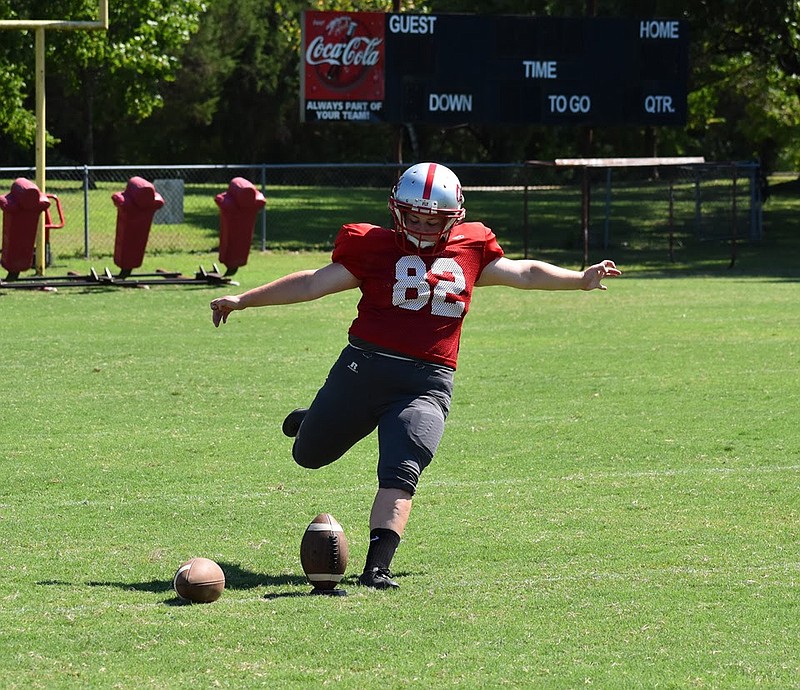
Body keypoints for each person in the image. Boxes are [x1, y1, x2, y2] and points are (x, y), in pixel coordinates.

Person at [210, 162, 620, 590]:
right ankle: (312, 418)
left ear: (454, 218)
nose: (423, 228)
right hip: (363, 371)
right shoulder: (373, 247)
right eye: (416, 217)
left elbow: (523, 272)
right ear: (396, 210)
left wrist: (580, 279)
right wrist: (243, 300)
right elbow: (313, 283)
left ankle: (377, 569)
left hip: (427, 382)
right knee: (308, 455)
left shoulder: (471, 247)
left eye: (433, 220)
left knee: (402, 468)